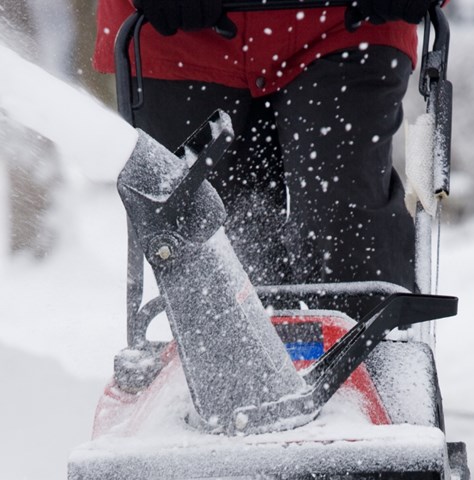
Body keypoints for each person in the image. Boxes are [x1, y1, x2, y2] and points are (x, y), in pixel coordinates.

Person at [94, 0, 440, 291]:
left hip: (345, 23)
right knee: (214, 245)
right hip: (183, 36)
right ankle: (225, 364)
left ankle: (363, 358)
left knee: (344, 227)